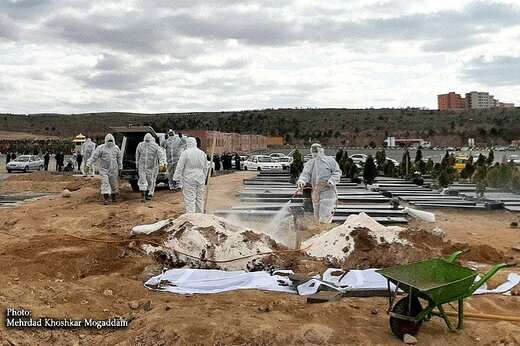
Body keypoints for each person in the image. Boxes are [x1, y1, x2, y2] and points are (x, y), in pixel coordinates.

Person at [297, 143, 342, 223]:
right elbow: (305, 174)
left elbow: (337, 172)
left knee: (325, 215)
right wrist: (302, 181)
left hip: (328, 192)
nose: (315, 153)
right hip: (316, 192)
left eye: (316, 151)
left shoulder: (330, 161)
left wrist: (330, 181)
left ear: (321, 150)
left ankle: (324, 231)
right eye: (313, 151)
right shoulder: (310, 163)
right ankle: (319, 233)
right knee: (316, 215)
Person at [174, 137, 208, 213]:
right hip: (200, 178)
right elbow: (205, 168)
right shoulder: (202, 153)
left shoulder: (185, 153)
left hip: (189, 178)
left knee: (190, 198)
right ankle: (200, 215)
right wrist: (204, 178)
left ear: (187, 143)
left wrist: (176, 178)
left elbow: (180, 166)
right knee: (200, 198)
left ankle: (191, 216)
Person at [87, 134, 122, 205]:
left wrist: (120, 167)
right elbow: (94, 157)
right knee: (105, 183)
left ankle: (113, 197)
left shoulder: (116, 148)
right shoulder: (101, 148)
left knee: (114, 184)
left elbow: (119, 158)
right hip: (104, 170)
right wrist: (88, 164)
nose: (110, 142)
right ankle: (106, 198)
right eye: (108, 140)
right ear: (106, 140)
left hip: (114, 170)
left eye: (111, 140)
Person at [136, 133, 166, 202]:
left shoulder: (155, 146)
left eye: (148, 141)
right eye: (146, 141)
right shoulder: (140, 145)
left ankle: (148, 194)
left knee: (150, 181)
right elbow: (137, 155)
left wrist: (162, 164)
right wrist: (137, 165)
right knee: (142, 180)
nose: (147, 142)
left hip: (152, 167)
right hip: (142, 167)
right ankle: (143, 196)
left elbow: (161, 155)